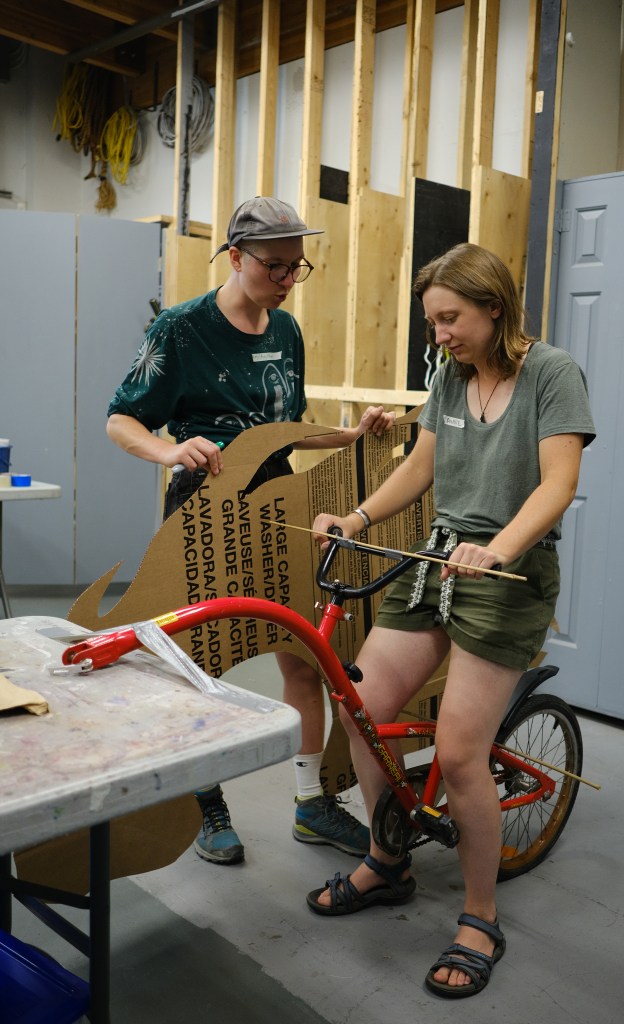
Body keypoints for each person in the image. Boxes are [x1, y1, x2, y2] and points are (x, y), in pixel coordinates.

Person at [306, 242, 595, 999]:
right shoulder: (448, 376)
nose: (438, 335)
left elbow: (558, 483)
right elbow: (419, 467)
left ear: (493, 308)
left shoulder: (551, 373)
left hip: (507, 572)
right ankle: (387, 860)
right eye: (432, 322)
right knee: (362, 707)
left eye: (449, 319)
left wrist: (498, 549)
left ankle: (479, 917)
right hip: (437, 560)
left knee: (462, 753)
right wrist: (356, 518)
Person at [106, 196, 395, 867]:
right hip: (204, 514)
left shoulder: (286, 330)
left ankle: (311, 802)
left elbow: (285, 428)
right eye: (275, 267)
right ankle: (205, 805)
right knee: (199, 666)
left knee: (302, 655)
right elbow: (120, 419)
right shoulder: (182, 330)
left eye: (298, 267)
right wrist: (170, 450)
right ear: (235, 256)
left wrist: (348, 435)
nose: (288, 280)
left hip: (277, 504)